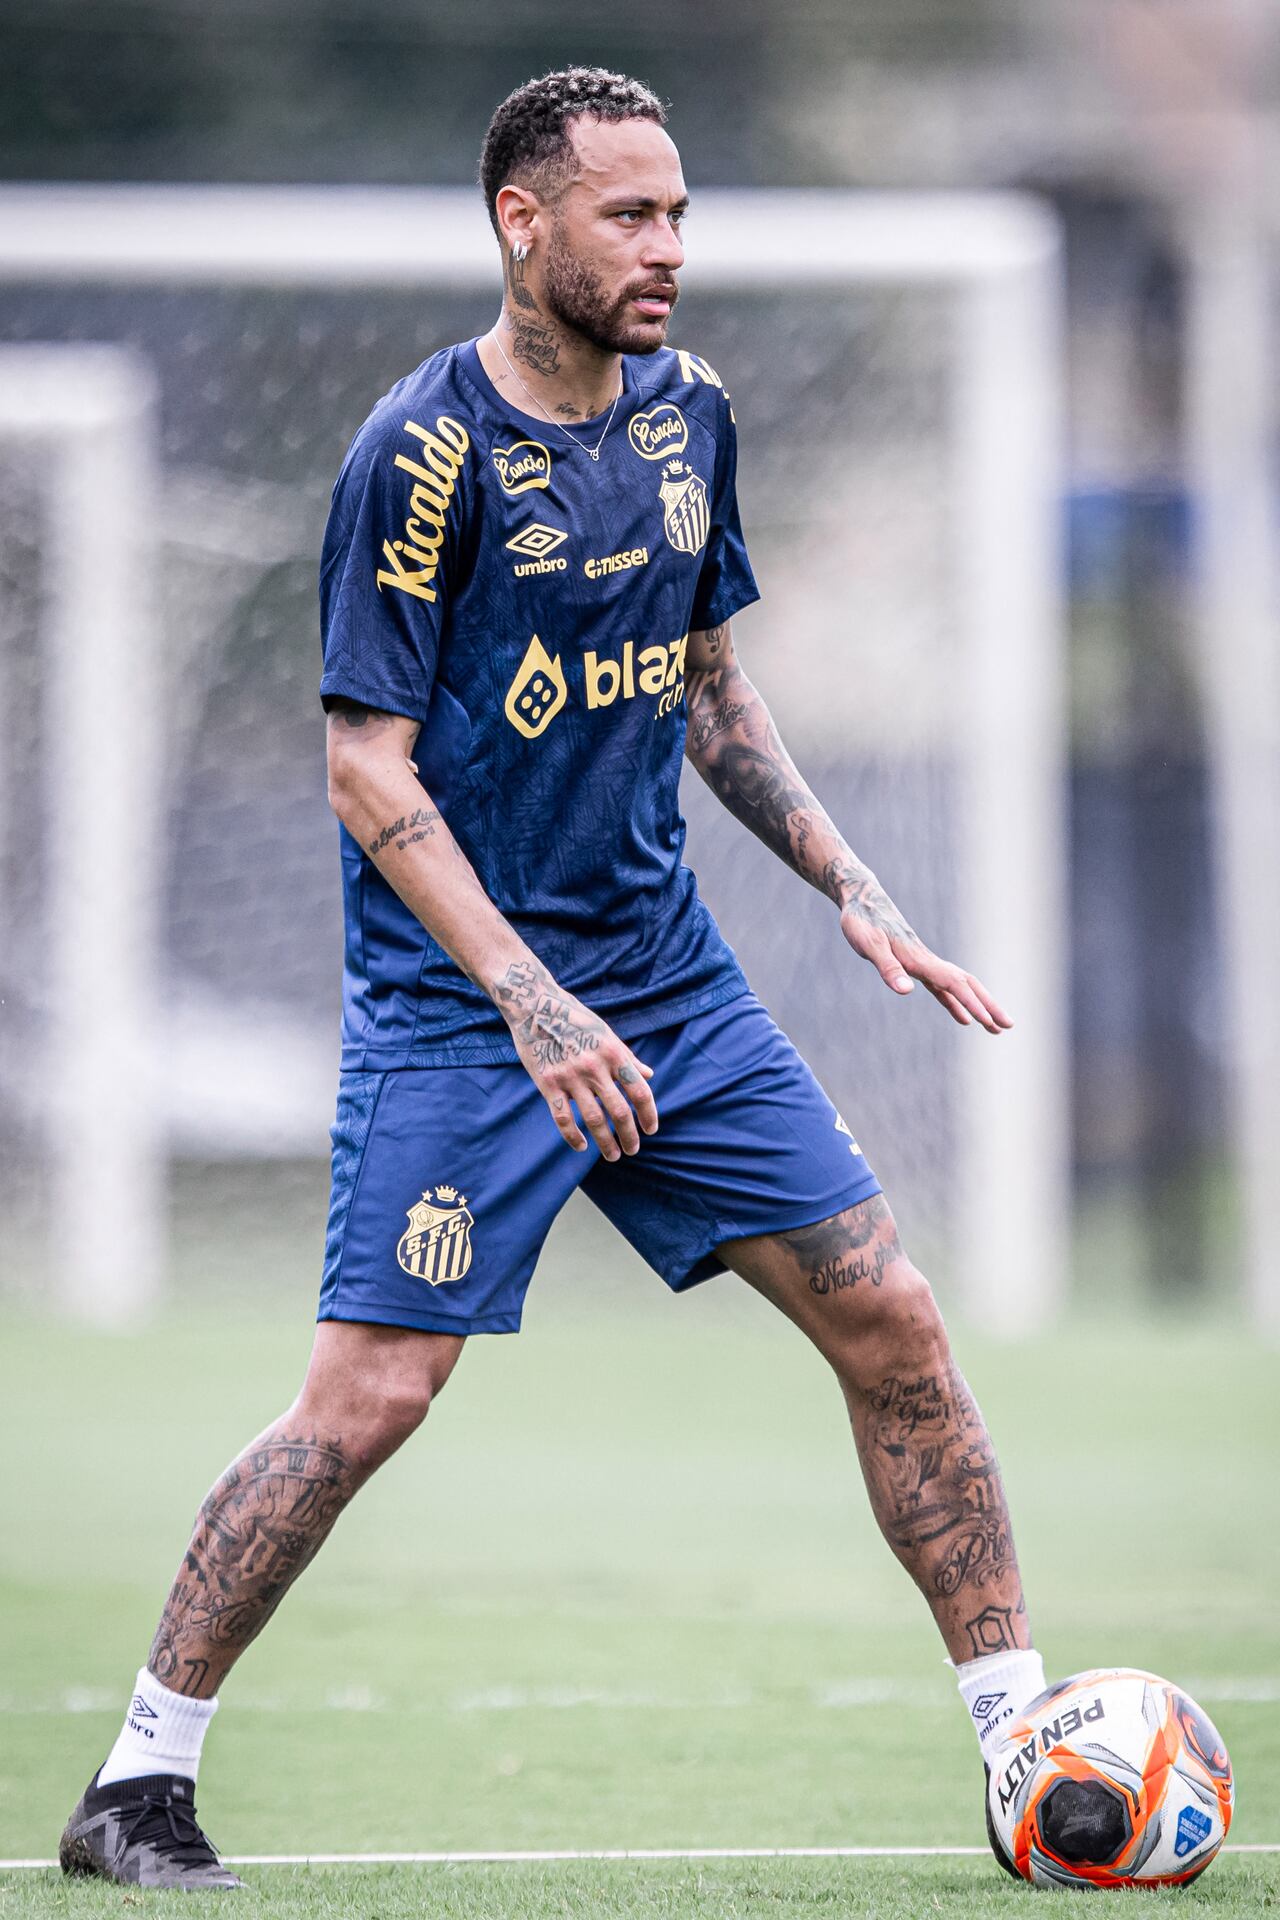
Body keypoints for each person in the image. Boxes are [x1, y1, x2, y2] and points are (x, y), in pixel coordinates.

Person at [61, 66, 1046, 1892]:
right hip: (466, 1010)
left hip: (667, 988)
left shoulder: (692, 416)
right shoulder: (418, 453)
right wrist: (528, 996)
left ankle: (1028, 1746)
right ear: (524, 223)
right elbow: (365, 771)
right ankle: (137, 1782)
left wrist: (853, 886)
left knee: (895, 1322)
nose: (667, 247)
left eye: (678, 213)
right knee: (369, 1401)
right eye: (628, 214)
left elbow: (710, 690)